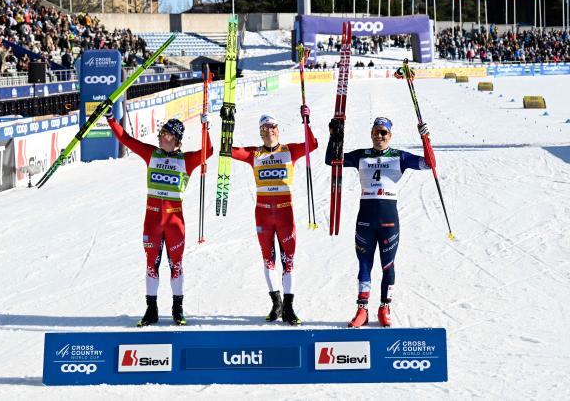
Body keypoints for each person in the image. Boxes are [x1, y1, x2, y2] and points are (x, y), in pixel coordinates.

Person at [325, 117, 432, 328]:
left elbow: (429, 164)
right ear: (371, 133)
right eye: (376, 132)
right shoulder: (361, 155)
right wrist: (333, 135)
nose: (379, 136)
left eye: (383, 132)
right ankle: (362, 310)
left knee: (388, 266)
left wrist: (425, 138)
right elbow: (331, 160)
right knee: (364, 265)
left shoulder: (400, 157)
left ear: (390, 135)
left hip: (389, 221)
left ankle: (385, 307)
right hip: (365, 220)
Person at [107, 114, 213, 327]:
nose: (161, 137)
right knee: (151, 266)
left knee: (176, 266)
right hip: (152, 220)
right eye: (161, 133)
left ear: (176, 139)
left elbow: (208, 151)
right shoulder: (151, 154)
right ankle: (151, 309)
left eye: (165, 134)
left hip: (175, 222)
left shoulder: (186, 160)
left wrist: (205, 128)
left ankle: (177, 309)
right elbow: (127, 140)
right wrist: (110, 119)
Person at [231, 106, 318, 325]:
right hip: (262, 214)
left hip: (284, 212)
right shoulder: (254, 154)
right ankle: (276, 303)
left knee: (288, 261)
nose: (270, 130)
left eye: (273, 127)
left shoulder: (289, 151)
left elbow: (313, 145)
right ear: (260, 132)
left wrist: (306, 122)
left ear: (278, 130)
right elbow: (228, 151)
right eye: (265, 127)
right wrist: (227, 124)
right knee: (268, 260)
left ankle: (288, 308)